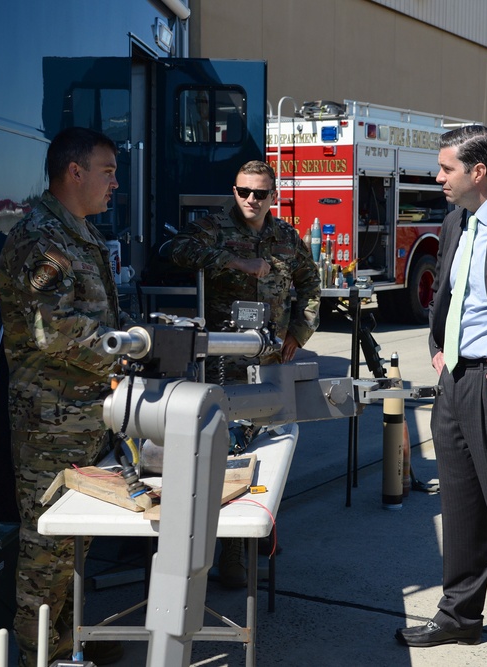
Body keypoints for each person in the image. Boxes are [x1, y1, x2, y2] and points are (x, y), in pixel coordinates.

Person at [395, 125, 487, 667]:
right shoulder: (457, 218)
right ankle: (459, 617)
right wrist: (439, 346)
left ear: (478, 172)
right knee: (459, 504)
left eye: (446, 168)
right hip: (454, 380)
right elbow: (452, 293)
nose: (437, 177)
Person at [0, 127, 133, 667]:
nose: (115, 183)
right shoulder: (41, 241)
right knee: (46, 550)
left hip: (82, 419)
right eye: (108, 171)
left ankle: (68, 645)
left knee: (75, 543)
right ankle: (36, 657)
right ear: (74, 172)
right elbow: (52, 330)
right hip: (49, 423)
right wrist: (124, 350)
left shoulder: (77, 232)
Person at [169, 159, 320, 585]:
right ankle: (231, 553)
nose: (251, 200)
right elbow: (175, 250)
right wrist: (232, 263)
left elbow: (310, 284)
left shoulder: (286, 237)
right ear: (233, 192)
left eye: (260, 193)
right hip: (222, 363)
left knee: (266, 450)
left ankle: (255, 533)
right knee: (228, 450)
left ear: (274, 195)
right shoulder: (213, 228)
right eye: (243, 191)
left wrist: (299, 331)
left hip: (271, 361)